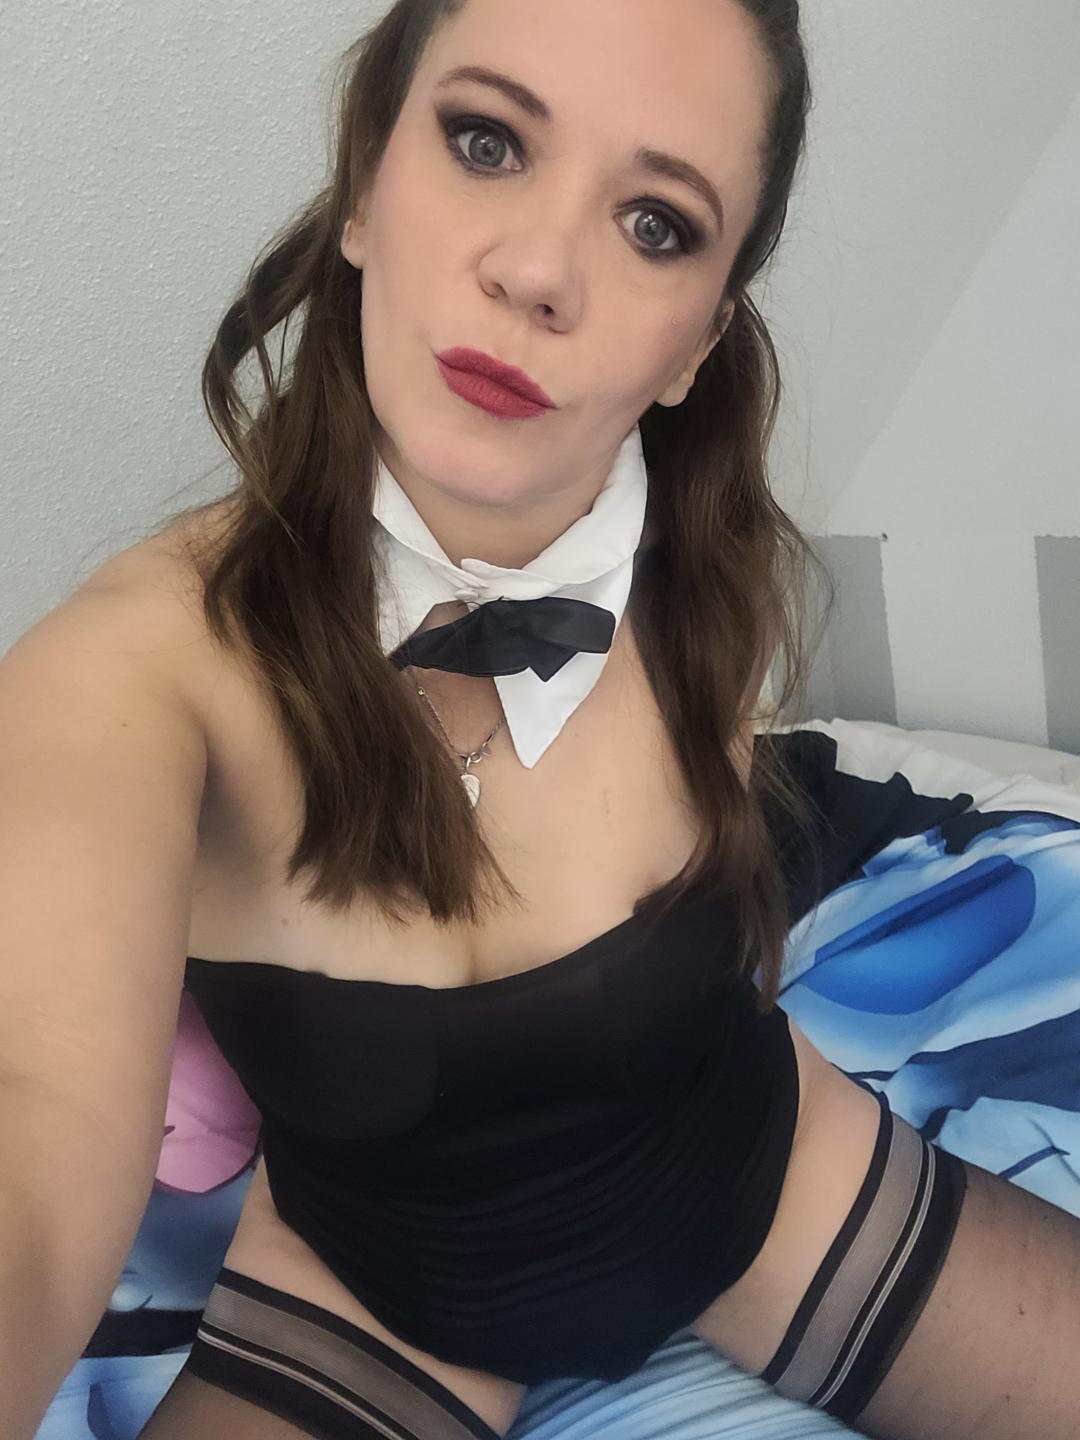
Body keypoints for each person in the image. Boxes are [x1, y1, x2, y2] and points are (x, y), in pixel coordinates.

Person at [1, 1, 1077, 1437]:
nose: (538, 271)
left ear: (698, 342)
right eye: (487, 141)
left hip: (767, 1185)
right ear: (364, 182)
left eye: (656, 224)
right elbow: (35, 1112)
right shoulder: (131, 670)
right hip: (370, 1294)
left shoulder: (703, 561)